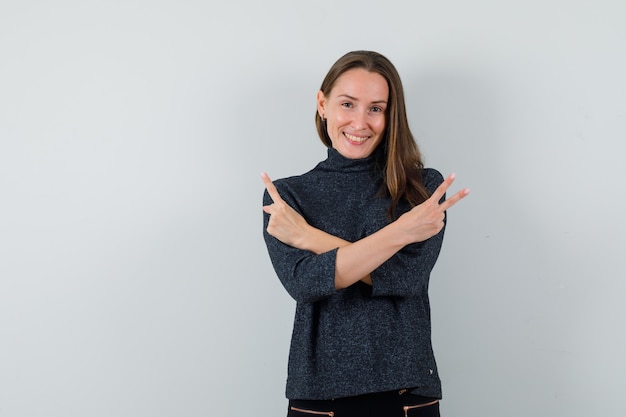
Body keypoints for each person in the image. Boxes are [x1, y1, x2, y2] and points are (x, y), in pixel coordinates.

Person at [261, 50, 469, 417]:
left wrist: (309, 237)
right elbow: (306, 284)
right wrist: (401, 233)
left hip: (406, 394)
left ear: (391, 116)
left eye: (376, 108)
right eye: (347, 104)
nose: (360, 122)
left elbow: (404, 278)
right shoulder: (286, 196)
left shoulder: (422, 188)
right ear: (322, 104)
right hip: (317, 398)